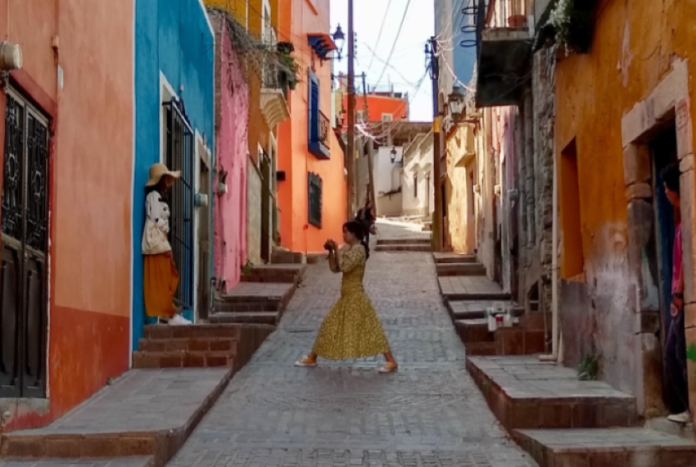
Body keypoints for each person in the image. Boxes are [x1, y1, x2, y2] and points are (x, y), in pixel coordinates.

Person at [295, 221, 398, 373]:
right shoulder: (349, 249)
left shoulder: (359, 250)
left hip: (356, 296)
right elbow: (336, 268)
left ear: (354, 234)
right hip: (346, 296)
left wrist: (337, 249)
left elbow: (345, 267)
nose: (343, 235)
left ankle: (391, 361)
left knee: (372, 328)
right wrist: (332, 251)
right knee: (329, 325)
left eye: (345, 232)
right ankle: (312, 357)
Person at [142, 163, 191, 326]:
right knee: (165, 277)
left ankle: (167, 311)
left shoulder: (157, 196)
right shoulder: (154, 196)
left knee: (168, 277)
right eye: (166, 179)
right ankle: (168, 314)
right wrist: (165, 227)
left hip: (159, 242)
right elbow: (157, 219)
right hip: (157, 243)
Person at [662, 163, 689, 424]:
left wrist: (678, 296)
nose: (664, 192)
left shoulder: (684, 224)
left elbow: (684, 265)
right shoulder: (680, 220)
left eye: (665, 187)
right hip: (679, 299)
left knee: (677, 353)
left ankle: (689, 407)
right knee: (683, 351)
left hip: (682, 300)